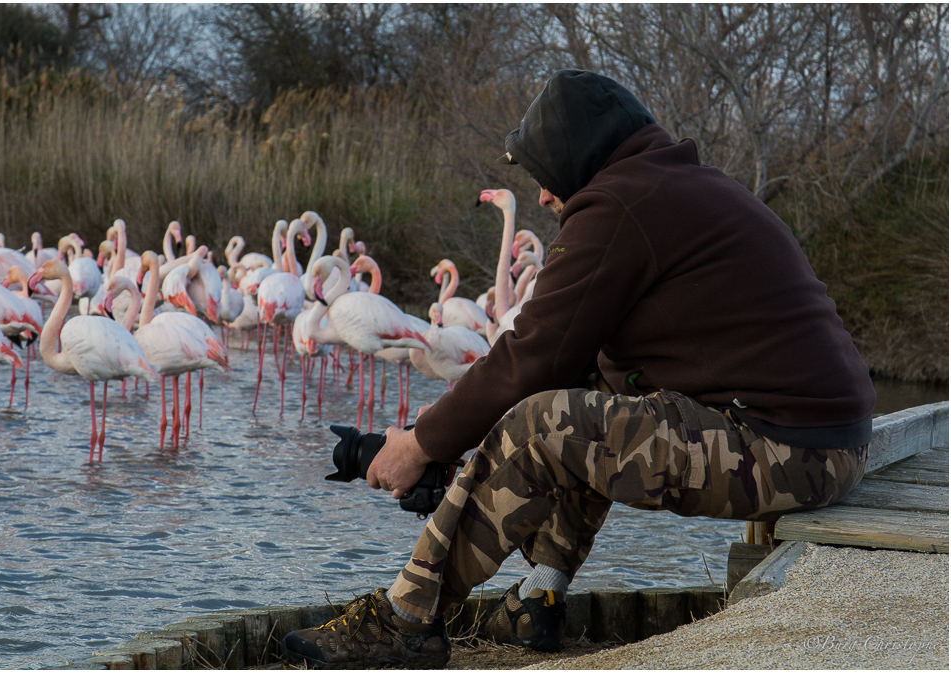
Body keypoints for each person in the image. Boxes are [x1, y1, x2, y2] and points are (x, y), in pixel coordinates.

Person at [280, 69, 876, 669]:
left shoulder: (620, 203)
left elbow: (532, 353)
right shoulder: (672, 187)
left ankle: (406, 620)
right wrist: (450, 443)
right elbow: (572, 365)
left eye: (544, 173)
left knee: (547, 422)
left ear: (579, 156)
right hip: (820, 445)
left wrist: (421, 444)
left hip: (790, 452)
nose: (540, 196)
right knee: (579, 399)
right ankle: (537, 597)